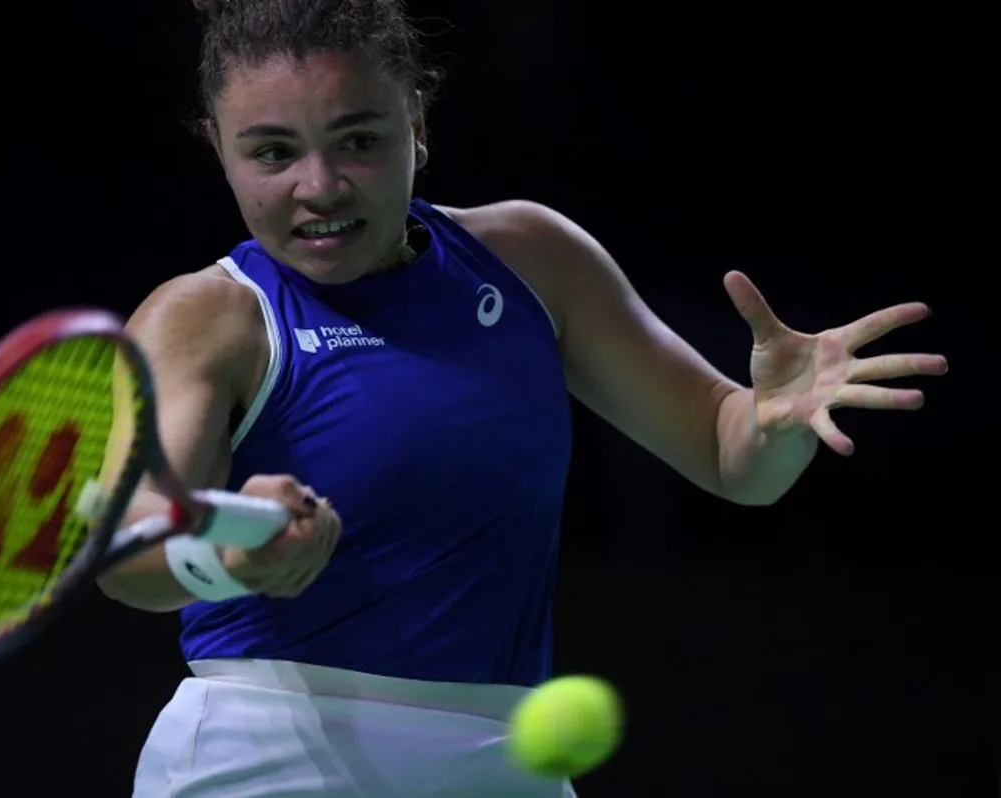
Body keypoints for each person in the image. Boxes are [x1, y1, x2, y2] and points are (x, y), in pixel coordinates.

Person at [95, 0, 949, 795]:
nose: (318, 187)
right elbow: (129, 554)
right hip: (267, 755)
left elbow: (735, 459)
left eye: (358, 140)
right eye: (273, 153)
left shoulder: (534, 261)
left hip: (504, 761)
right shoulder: (206, 319)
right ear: (219, 147)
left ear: (417, 126)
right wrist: (230, 559)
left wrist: (771, 423)